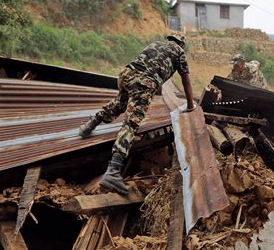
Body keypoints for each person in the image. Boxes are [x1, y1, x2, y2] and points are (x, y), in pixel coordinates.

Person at [79, 34, 196, 194]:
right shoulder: (179, 52)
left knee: (120, 103)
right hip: (143, 82)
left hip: (126, 74)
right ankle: (113, 172)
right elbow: (186, 80)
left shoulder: (155, 44)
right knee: (131, 123)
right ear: (181, 44)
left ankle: (90, 124)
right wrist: (190, 105)